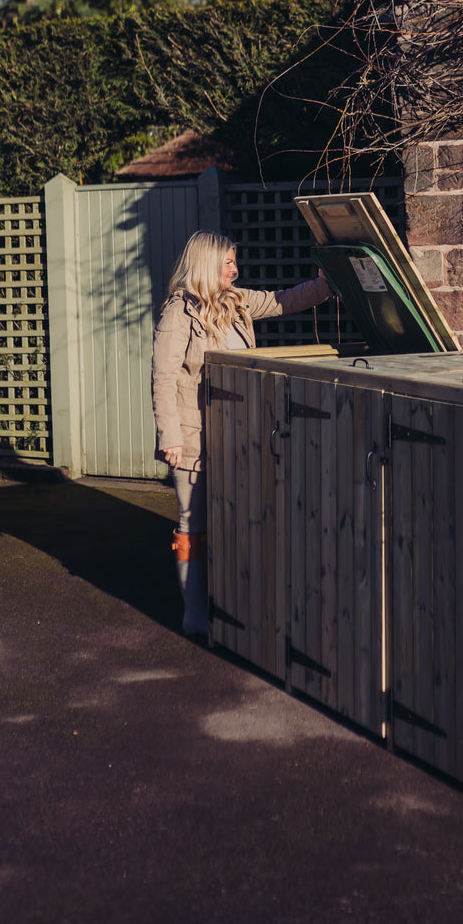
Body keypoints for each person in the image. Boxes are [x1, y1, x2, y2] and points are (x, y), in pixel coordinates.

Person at [151, 229, 332, 635]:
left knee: (239, 517)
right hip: (194, 435)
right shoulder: (179, 312)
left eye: (235, 262)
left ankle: (235, 606)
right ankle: (194, 612)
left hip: (238, 432)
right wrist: (171, 437)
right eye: (227, 263)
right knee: (192, 522)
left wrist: (324, 286)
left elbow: (283, 301)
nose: (235, 269)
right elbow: (162, 378)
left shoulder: (236, 301)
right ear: (205, 265)